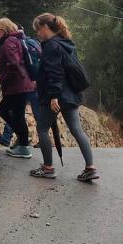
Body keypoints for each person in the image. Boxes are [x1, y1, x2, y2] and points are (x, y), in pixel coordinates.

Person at [31, 13, 98, 181]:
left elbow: (55, 73)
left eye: (38, 30)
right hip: (71, 96)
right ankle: (90, 168)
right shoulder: (66, 44)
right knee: (77, 130)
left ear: (45, 27)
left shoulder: (51, 46)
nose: (37, 34)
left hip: (56, 96)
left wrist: (54, 96)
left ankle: (48, 168)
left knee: (42, 129)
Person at [0, 18, 36, 159]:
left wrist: (5, 76)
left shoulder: (8, 42)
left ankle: (23, 146)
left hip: (17, 85)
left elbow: (14, 63)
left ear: (3, 30)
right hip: (22, 84)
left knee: (4, 111)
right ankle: (22, 140)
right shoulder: (16, 40)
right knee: (17, 115)